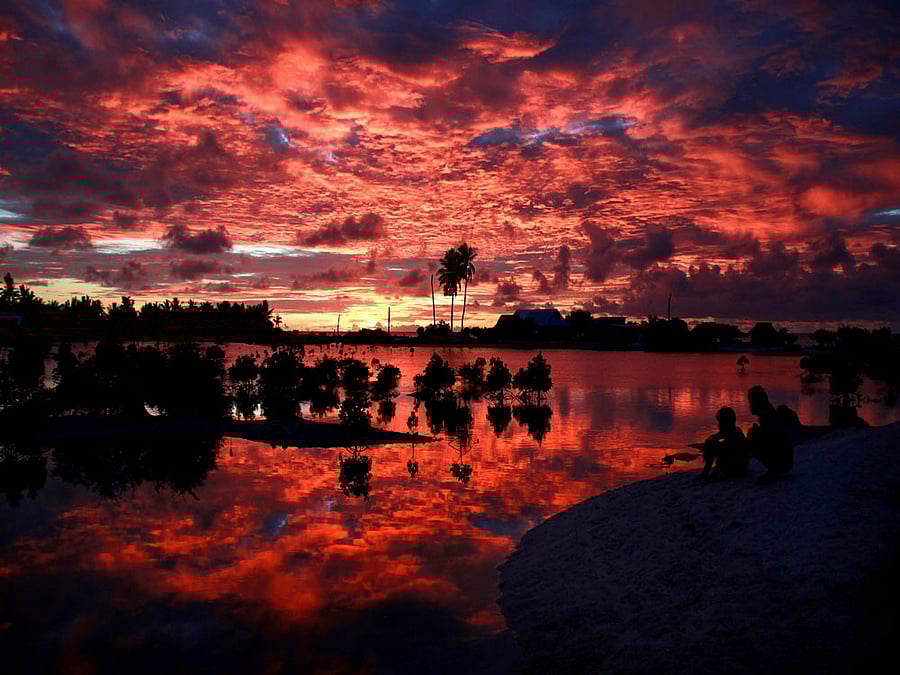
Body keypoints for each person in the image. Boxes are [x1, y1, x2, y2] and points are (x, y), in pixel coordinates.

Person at [747, 385, 795, 484]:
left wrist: (757, 432)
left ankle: (774, 469)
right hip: (784, 458)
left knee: (752, 435)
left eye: (750, 400)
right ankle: (774, 469)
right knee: (753, 434)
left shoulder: (767, 416)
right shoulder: (768, 413)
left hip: (782, 459)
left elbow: (773, 439)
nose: (749, 404)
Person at [696, 406, 749, 483]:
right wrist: (710, 440)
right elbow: (715, 437)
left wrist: (712, 476)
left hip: (738, 469)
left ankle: (706, 473)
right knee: (713, 443)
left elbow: (724, 459)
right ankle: (705, 473)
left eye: (719, 421)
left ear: (725, 422)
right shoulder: (731, 431)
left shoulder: (734, 435)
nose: (718, 424)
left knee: (716, 446)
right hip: (738, 467)